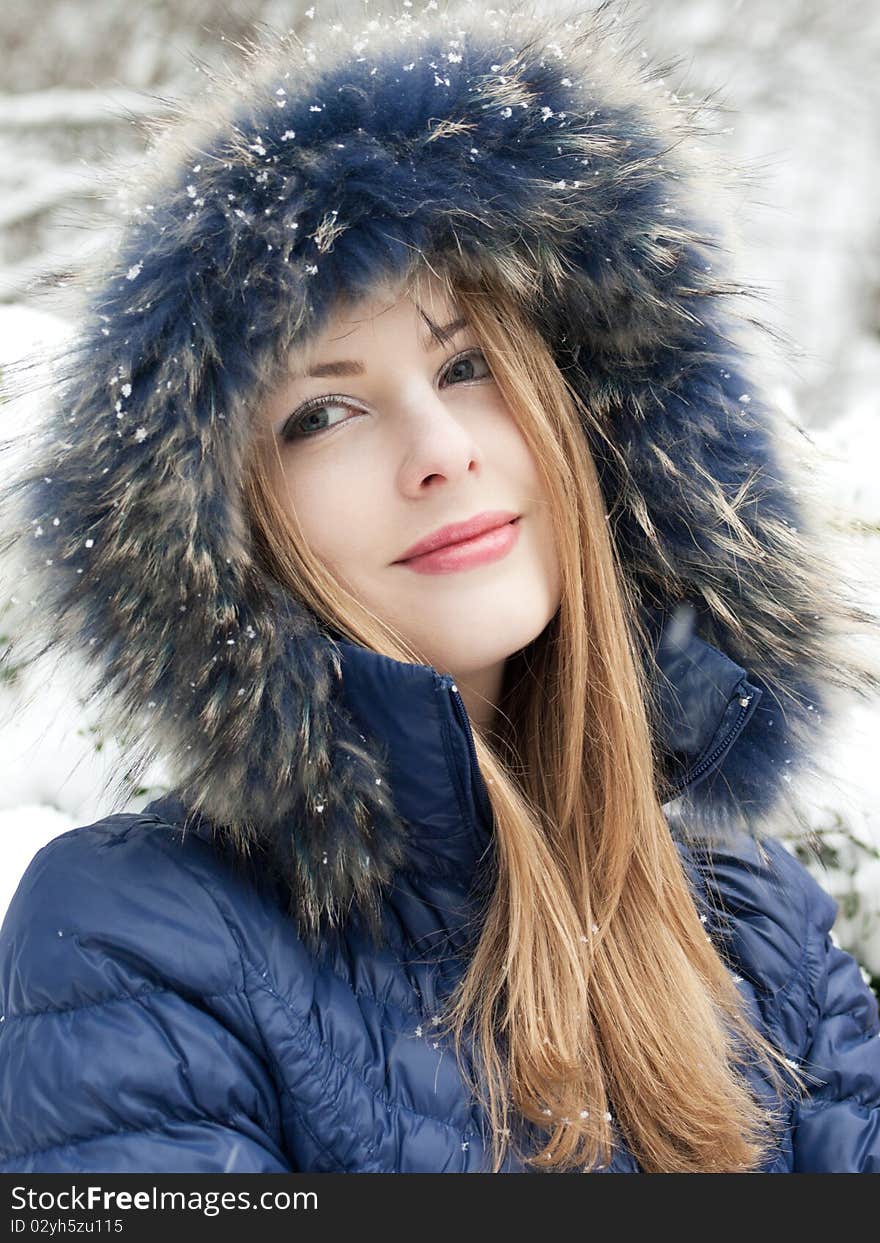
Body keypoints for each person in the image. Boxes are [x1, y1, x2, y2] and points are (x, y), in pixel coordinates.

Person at [0, 0, 878, 1175]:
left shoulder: (764, 937)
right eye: (323, 411)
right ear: (220, 536)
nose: (440, 449)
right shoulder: (133, 941)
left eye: (466, 365)